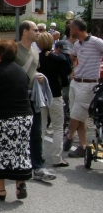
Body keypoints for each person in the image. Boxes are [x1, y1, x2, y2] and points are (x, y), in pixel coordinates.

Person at [0, 40, 33, 201]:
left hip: (4, 117)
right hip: (25, 117)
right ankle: (20, 183)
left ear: (0, 55)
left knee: (0, 151)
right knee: (20, 149)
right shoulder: (21, 72)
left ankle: (0, 189)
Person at [16, 21, 56, 182]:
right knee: (20, 132)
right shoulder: (14, 50)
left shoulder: (35, 52)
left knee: (37, 132)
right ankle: (18, 164)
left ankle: (38, 166)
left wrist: (38, 76)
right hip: (19, 98)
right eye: (35, 30)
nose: (39, 32)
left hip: (33, 97)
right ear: (25, 32)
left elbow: (34, 70)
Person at [65, 18, 103, 158]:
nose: (69, 31)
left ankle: (69, 136)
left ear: (76, 29)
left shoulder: (96, 42)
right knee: (80, 117)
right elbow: (74, 57)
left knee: (76, 115)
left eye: (70, 28)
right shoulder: (76, 44)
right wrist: (75, 69)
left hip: (88, 84)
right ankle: (82, 146)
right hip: (76, 82)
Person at [37, 32, 71, 167]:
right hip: (55, 93)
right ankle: (57, 157)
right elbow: (66, 70)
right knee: (58, 127)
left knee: (41, 126)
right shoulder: (57, 58)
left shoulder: (37, 57)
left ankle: (39, 155)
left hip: (40, 94)